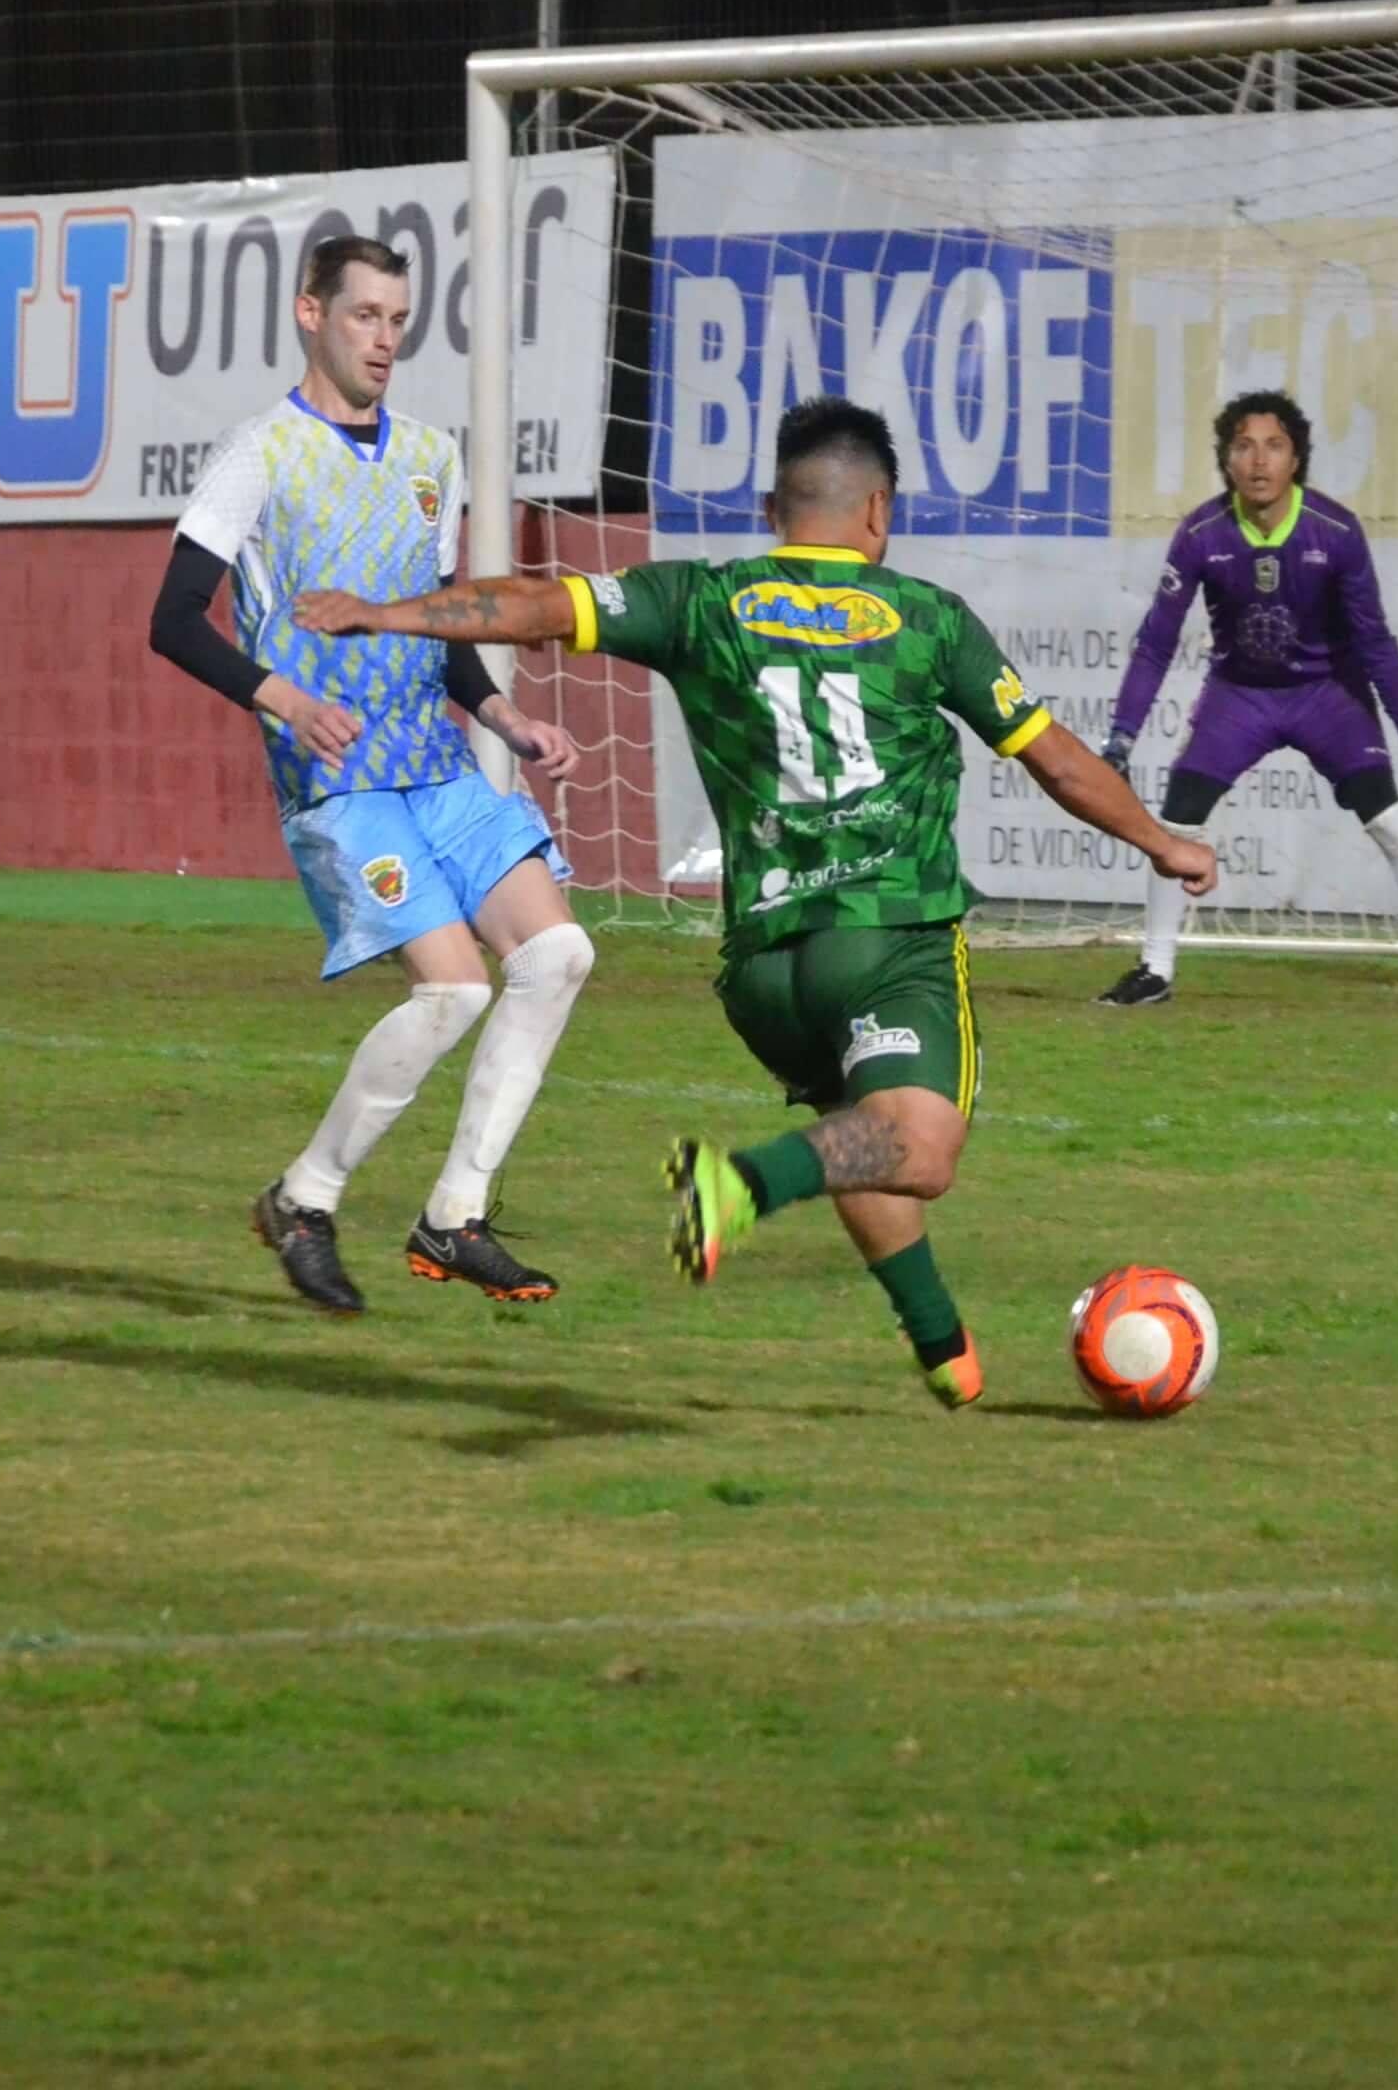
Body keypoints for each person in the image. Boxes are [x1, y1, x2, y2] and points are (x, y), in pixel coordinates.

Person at [294, 395, 1218, 1408]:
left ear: (776, 505)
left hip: (766, 972)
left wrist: (386, 613)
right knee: (918, 1142)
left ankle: (944, 1348)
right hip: (886, 936)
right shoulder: (927, 619)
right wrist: (1162, 842)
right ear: (879, 512)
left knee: (852, 1132)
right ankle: (739, 1189)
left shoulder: (701, 599)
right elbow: (1059, 761)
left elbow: (535, 607)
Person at [148, 234, 593, 1317]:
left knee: (560, 954)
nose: (385, 338)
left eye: (398, 318)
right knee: (452, 990)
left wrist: (501, 711)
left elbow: (438, 626)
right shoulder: (261, 453)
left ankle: (455, 1216)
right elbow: (169, 621)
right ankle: (306, 1198)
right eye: (365, 316)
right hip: (339, 787)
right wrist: (282, 697)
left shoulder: (431, 456)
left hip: (437, 770)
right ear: (311, 315)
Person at [1092, 390, 1398, 1010]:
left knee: (1390, 822)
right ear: (1226, 460)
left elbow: (1376, 643)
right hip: (1239, 697)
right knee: (1177, 817)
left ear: (1297, 460)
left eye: (1275, 446)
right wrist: (1121, 736)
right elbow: (1155, 643)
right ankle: (1155, 968)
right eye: (1244, 446)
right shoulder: (1202, 534)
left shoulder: (1335, 533)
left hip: (1328, 694)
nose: (1259, 461)